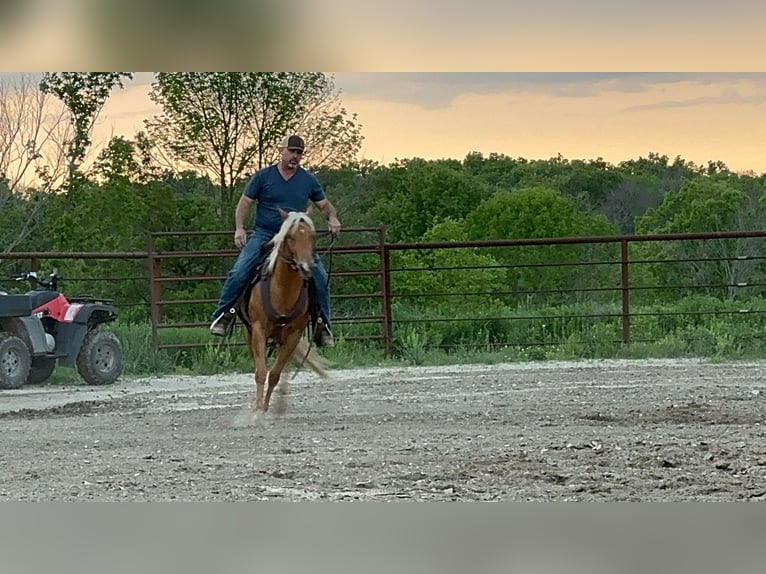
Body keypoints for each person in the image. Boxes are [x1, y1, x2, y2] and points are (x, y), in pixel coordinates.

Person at [209, 134, 340, 346]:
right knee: (240, 270)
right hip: (265, 233)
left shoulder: (308, 180)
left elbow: (324, 205)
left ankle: (322, 325)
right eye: (292, 151)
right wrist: (240, 228)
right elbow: (245, 202)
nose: (295, 156)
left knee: (319, 276)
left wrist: (332, 217)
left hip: (295, 237)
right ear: (281, 150)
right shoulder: (263, 177)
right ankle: (224, 314)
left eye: (299, 153)